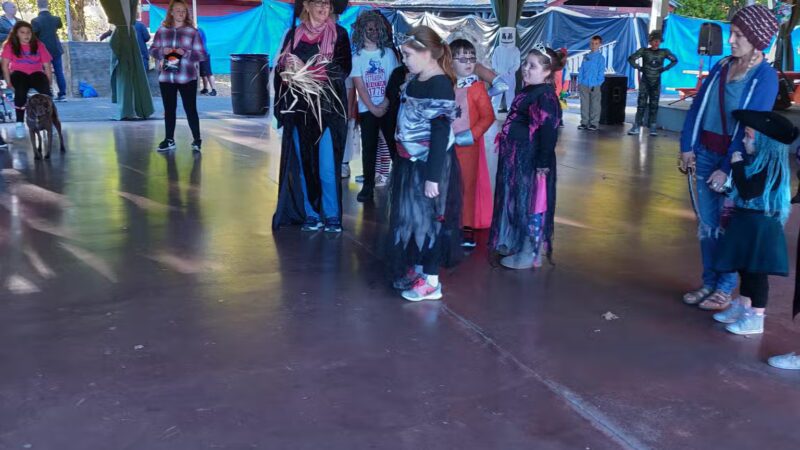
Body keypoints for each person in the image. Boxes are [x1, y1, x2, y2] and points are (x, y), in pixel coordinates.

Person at [679, 5, 779, 311]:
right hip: (704, 153)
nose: (731, 40)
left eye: (738, 35)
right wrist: (687, 146)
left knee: (726, 226)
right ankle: (709, 281)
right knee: (707, 224)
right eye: (731, 32)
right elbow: (698, 108)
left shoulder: (765, 78)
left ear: (756, 38)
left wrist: (727, 169)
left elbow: (749, 127)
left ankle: (724, 287)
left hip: (733, 162)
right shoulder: (722, 66)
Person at [388, 26, 461, 302]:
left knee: (431, 219)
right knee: (413, 219)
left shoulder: (440, 84)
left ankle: (432, 280)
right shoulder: (414, 80)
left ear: (427, 53)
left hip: (431, 166)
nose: (404, 60)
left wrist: (433, 178)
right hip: (411, 161)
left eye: (407, 54)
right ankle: (418, 268)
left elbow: (441, 133)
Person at [710, 110, 795, 338]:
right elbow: (742, 191)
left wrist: (736, 166)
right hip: (747, 224)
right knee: (745, 269)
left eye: (749, 136)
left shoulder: (770, 168)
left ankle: (755, 317)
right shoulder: (757, 164)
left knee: (757, 275)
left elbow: (748, 191)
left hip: (761, 228)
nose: (745, 140)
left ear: (765, 142)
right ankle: (744, 306)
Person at [272, 0, 351, 233]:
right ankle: (311, 213)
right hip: (299, 111)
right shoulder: (293, 35)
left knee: (327, 166)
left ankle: (332, 215)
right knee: (305, 166)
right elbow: (280, 71)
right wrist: (287, 67)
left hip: (328, 111)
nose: (323, 8)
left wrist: (306, 68)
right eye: (318, 2)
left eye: (327, 3)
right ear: (306, 5)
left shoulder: (339, 34)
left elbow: (342, 68)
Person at [489, 44, 565, 269]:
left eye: (532, 66)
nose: (526, 69)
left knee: (529, 204)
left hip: (530, 162)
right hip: (517, 158)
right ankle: (514, 242)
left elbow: (548, 133)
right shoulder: (528, 91)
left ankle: (528, 252)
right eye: (525, 63)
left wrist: (542, 164)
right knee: (514, 201)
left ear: (547, 72)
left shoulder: (545, 96)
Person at [450, 38, 495, 247]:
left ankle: (466, 226)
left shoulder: (477, 88)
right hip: (446, 145)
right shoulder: (445, 84)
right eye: (462, 58)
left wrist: (473, 134)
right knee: (446, 184)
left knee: (467, 185)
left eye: (471, 58)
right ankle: (449, 221)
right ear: (450, 61)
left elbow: (488, 116)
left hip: (468, 147)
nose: (468, 62)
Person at [350, 10, 397, 202]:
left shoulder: (388, 54)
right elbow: (359, 85)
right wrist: (372, 107)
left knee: (393, 145)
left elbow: (394, 81)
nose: (374, 32)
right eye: (370, 28)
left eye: (377, 28)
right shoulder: (358, 57)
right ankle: (368, 186)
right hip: (367, 109)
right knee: (369, 147)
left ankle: (400, 181)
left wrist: (385, 103)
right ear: (362, 31)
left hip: (387, 108)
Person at [149, 0, 208, 152]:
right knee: (169, 110)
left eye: (183, 11)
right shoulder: (162, 31)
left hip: (187, 77)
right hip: (167, 77)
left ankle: (197, 139)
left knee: (191, 109)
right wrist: (163, 52)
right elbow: (153, 50)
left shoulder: (193, 32)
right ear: (171, 12)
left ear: (186, 13)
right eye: (177, 10)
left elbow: (201, 55)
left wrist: (185, 53)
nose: (181, 13)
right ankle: (169, 140)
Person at [1, 20, 52, 145]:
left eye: (28, 32)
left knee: (46, 94)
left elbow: (47, 65)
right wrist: (9, 83)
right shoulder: (10, 46)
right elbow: (5, 66)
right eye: (22, 32)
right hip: (19, 73)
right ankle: (19, 123)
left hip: (36, 73)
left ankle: (48, 120)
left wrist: (48, 82)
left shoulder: (39, 45)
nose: (26, 35)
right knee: (21, 91)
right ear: (16, 34)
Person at [627, 30, 678, 136]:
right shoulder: (644, 51)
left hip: (656, 82)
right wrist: (639, 68)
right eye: (654, 41)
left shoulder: (664, 52)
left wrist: (665, 69)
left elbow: (675, 60)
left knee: (654, 105)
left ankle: (653, 127)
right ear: (650, 41)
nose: (656, 43)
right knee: (641, 104)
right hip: (645, 81)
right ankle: (637, 125)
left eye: (658, 41)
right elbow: (631, 59)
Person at [31, 0, 65, 102]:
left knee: (44, 72)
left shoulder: (35, 21)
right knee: (59, 72)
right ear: (48, 5)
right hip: (56, 49)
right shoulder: (56, 19)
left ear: (38, 6)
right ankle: (62, 94)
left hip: (43, 51)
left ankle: (47, 93)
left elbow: (34, 35)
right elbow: (60, 26)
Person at [577, 35, 605, 131]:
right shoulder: (586, 57)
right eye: (592, 43)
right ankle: (584, 122)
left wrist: (597, 83)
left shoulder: (601, 58)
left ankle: (593, 123)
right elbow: (581, 70)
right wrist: (580, 82)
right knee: (584, 104)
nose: (593, 45)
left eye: (596, 44)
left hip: (595, 85)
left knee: (595, 105)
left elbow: (601, 73)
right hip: (584, 84)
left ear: (600, 45)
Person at [197, 27, 216, 96]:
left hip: (203, 54)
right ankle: (205, 89)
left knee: (208, 73)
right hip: (199, 54)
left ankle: (214, 90)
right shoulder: (197, 29)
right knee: (203, 73)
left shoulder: (198, 30)